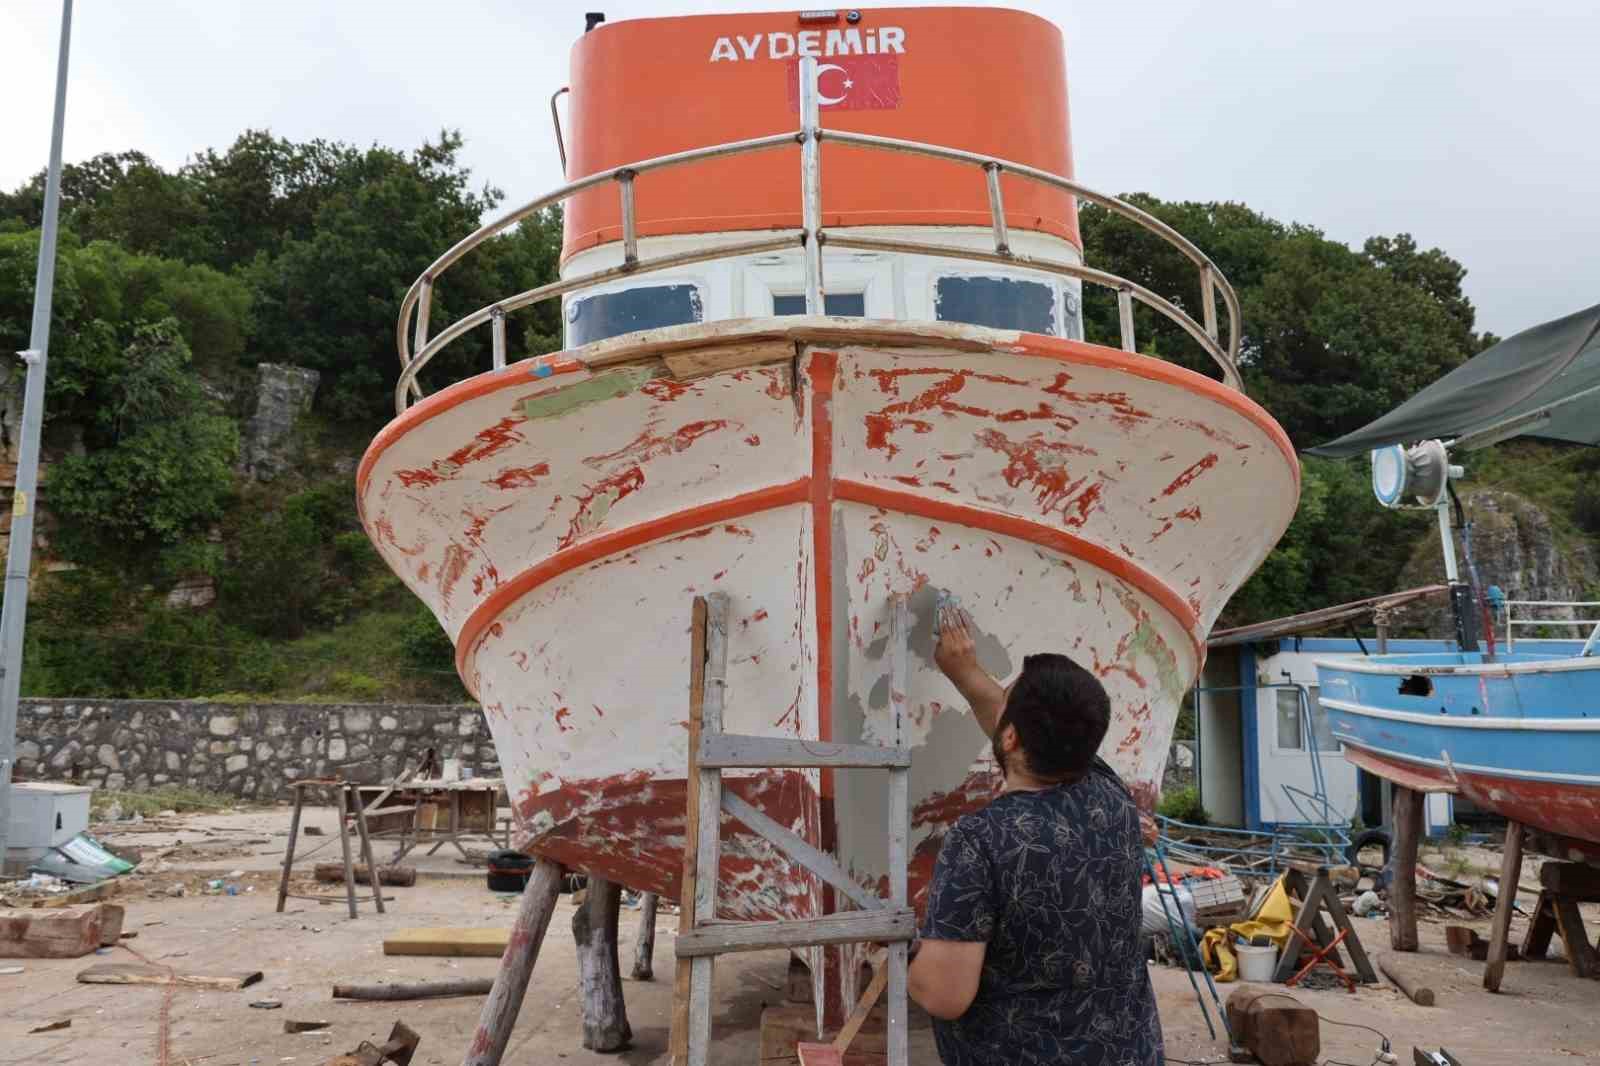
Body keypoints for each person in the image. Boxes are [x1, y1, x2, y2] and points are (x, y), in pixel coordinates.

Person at [906, 605, 1163, 1065]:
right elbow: (1022, 727)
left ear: (1009, 738)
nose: (997, 700)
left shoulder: (981, 841)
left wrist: (908, 952)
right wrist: (965, 673)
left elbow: (943, 996)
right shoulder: (1114, 797)